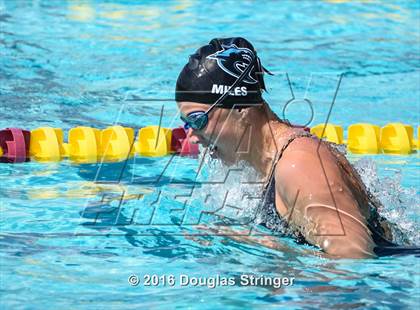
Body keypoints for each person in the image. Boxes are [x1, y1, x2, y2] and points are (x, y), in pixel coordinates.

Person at [174, 37, 409, 259]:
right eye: (187, 124)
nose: (193, 136)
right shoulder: (272, 162)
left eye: (198, 120)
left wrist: (257, 244)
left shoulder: (300, 165)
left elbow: (354, 258)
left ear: (240, 108)